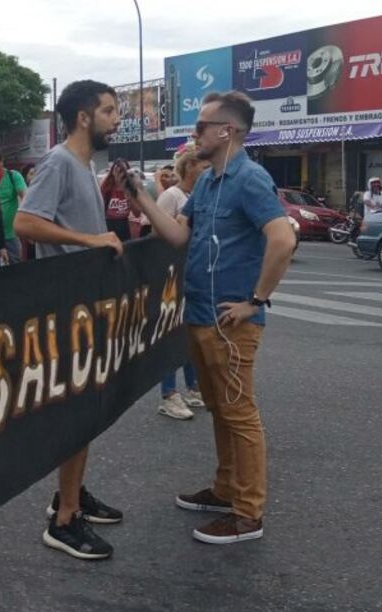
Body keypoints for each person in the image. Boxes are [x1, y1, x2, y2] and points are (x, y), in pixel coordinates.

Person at [121, 90, 296, 545]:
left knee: (239, 413)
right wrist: (139, 196)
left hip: (231, 322)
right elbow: (179, 236)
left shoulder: (249, 179)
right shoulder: (210, 183)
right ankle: (224, 491)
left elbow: (281, 239)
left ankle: (246, 513)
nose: (193, 133)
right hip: (200, 314)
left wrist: (255, 301)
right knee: (219, 409)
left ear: (227, 131)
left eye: (200, 126)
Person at [14, 79, 125, 561]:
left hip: (88, 306)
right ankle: (63, 522)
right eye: (108, 111)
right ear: (84, 117)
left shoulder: (85, 164)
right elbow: (25, 221)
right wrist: (91, 241)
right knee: (77, 412)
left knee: (89, 412)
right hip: (65, 310)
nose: (116, 119)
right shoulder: (59, 161)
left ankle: (72, 496)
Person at [155, 146, 207, 420]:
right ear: (189, 167)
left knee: (188, 333)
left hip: (192, 271)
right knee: (171, 333)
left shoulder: (196, 195)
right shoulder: (172, 196)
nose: (206, 169)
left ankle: (193, 387)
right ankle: (168, 394)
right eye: (202, 166)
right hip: (172, 274)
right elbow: (156, 233)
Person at [0, 148, 27, 264]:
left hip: (10, 234)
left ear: (2, 162)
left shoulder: (13, 176)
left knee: (15, 270)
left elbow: (26, 198)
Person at [100, 170, 135, 241]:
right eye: (118, 171)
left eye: (123, 173)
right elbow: (100, 209)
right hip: (109, 224)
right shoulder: (107, 188)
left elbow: (137, 213)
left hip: (124, 224)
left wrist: (130, 197)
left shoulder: (129, 189)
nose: (121, 175)